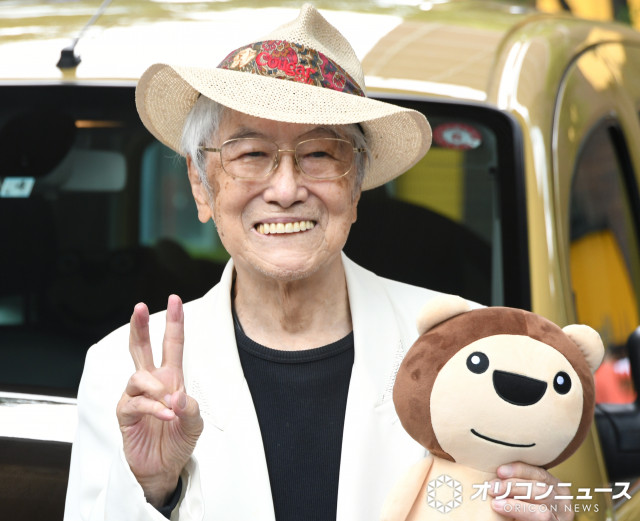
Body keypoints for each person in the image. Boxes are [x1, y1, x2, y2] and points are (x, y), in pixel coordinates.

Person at [64, 4, 574, 521]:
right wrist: (155, 489)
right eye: (250, 154)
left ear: (356, 187)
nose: (286, 190)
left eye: (320, 155)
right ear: (202, 186)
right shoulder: (123, 373)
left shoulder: (469, 348)